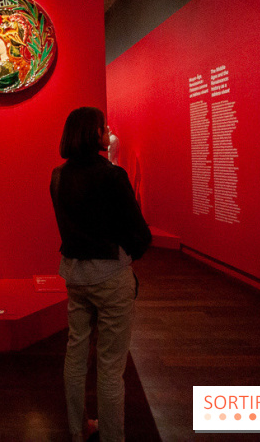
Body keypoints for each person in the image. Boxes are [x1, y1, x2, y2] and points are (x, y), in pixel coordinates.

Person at [50, 107, 151, 442]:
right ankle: (112, 437)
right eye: (102, 126)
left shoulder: (58, 176)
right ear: (92, 134)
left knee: (76, 354)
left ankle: (77, 431)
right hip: (110, 275)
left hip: (75, 275)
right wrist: (131, 253)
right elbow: (137, 230)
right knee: (110, 366)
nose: (107, 129)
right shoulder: (112, 175)